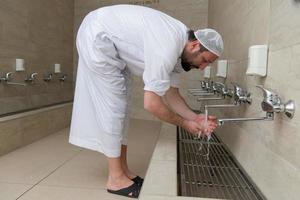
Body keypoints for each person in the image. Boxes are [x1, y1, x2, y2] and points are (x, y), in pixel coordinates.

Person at [69, 4, 223, 198]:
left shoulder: (180, 51)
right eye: (205, 60)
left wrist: (196, 117)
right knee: (113, 107)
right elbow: (152, 104)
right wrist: (185, 124)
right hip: (97, 36)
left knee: (122, 109)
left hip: (110, 42)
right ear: (194, 46)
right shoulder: (168, 46)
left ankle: (124, 171)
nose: (203, 68)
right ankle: (116, 179)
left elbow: (172, 94)